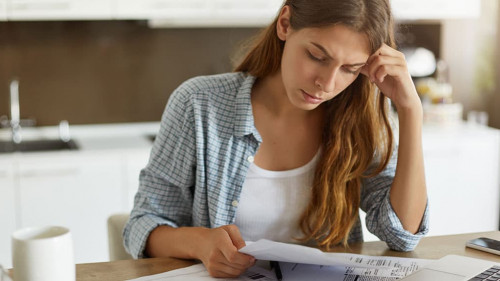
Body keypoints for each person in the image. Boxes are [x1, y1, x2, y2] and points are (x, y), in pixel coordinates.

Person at [123, 0, 429, 278]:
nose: (327, 83)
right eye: (316, 56)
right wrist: (200, 243)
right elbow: (142, 225)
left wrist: (410, 109)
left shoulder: (359, 119)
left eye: (350, 69)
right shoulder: (199, 104)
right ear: (285, 24)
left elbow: (401, 235)